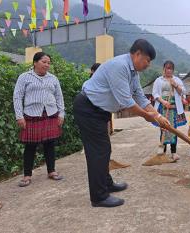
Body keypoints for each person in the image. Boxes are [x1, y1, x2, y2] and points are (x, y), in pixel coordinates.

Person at [73, 39, 170, 208]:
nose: (148, 64)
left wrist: (158, 115)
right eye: (147, 60)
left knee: (104, 149)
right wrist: (148, 117)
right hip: (88, 108)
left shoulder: (133, 73)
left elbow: (139, 96)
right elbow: (127, 102)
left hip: (99, 110)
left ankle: (106, 184)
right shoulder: (120, 66)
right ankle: (99, 197)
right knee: (98, 151)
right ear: (138, 53)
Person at [13, 52, 65, 187]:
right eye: (44, 62)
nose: (47, 65)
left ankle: (52, 171)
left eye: (48, 62)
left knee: (50, 144)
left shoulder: (53, 78)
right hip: (31, 115)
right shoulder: (24, 77)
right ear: (35, 62)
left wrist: (61, 114)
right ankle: (27, 175)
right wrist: (19, 116)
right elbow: (17, 97)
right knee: (30, 146)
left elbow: (59, 97)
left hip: (50, 114)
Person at [152, 61, 186, 160]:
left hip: (174, 109)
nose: (169, 70)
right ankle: (163, 151)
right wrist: (163, 102)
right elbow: (155, 94)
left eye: (171, 68)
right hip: (162, 107)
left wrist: (175, 85)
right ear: (164, 69)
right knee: (163, 128)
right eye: (167, 68)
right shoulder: (159, 80)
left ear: (173, 70)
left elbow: (182, 92)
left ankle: (174, 153)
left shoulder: (177, 80)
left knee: (173, 130)